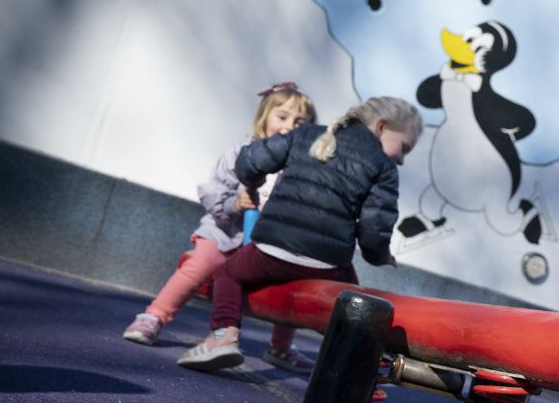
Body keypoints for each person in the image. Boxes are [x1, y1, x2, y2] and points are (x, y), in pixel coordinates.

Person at [176, 96, 423, 372]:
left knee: (226, 275)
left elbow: (249, 162)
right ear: (381, 126)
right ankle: (352, 363)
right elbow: (374, 226)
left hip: (272, 249)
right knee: (354, 305)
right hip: (328, 264)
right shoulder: (384, 167)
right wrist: (379, 256)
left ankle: (222, 336)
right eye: (404, 148)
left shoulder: (306, 134)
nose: (401, 159)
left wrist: (253, 184)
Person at [122, 82, 319, 372]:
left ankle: (281, 347)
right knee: (201, 261)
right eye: (282, 117)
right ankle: (154, 316)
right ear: (263, 117)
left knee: (290, 283)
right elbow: (212, 191)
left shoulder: (301, 170)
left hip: (266, 245)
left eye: (299, 122)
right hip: (226, 233)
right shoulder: (240, 154)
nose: (289, 126)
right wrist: (235, 204)